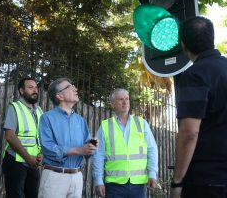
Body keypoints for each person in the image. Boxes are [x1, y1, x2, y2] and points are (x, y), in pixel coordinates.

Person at [171, 16, 227, 198]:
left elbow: (189, 133)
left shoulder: (195, 75)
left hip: (207, 181)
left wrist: (177, 182)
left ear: (184, 45)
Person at [38, 77, 98, 198]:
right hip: (54, 177)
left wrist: (91, 147)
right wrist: (78, 150)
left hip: (77, 177)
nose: (75, 88)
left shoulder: (80, 120)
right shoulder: (46, 118)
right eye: (69, 87)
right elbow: (47, 148)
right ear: (59, 96)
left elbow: (86, 153)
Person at [93, 88, 158, 198]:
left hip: (138, 184)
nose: (125, 102)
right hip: (114, 186)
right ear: (112, 104)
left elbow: (152, 149)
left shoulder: (142, 123)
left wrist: (152, 173)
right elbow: (98, 154)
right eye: (121, 99)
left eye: (127, 99)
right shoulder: (105, 126)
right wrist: (98, 180)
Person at [2, 77, 43, 198]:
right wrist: (28, 158)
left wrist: (41, 153)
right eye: (30, 87)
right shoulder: (14, 107)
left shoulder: (39, 110)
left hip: (34, 163)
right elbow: (9, 136)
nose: (35, 90)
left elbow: (41, 136)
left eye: (36, 87)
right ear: (21, 90)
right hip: (16, 162)